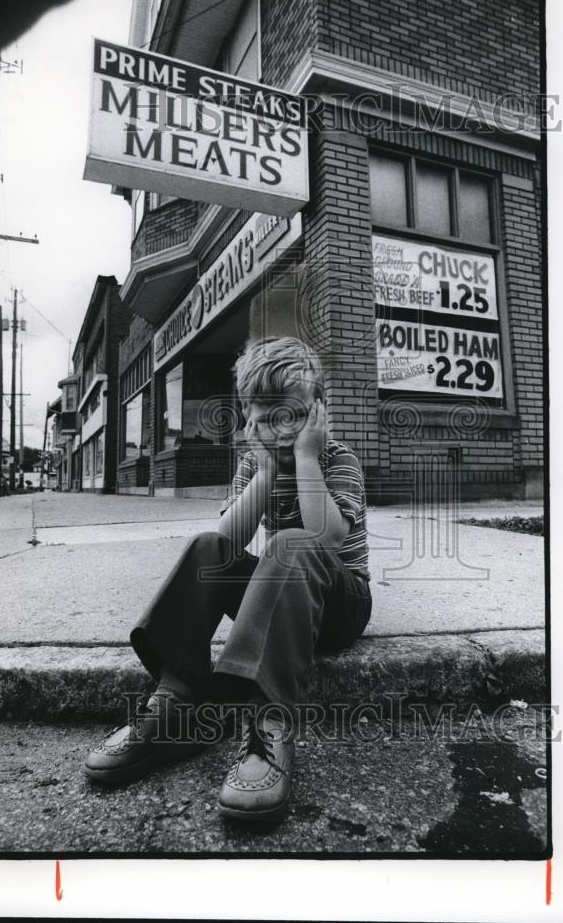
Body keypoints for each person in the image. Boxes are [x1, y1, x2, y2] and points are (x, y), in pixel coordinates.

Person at [84, 335, 372, 824]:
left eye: (288, 417)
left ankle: (267, 721)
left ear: (317, 414)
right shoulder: (251, 463)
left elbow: (326, 537)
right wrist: (263, 473)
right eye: (260, 418)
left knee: (290, 543)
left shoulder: (336, 459)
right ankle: (176, 700)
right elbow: (228, 539)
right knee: (206, 545)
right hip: (281, 598)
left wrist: (305, 459)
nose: (274, 432)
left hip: (339, 602)